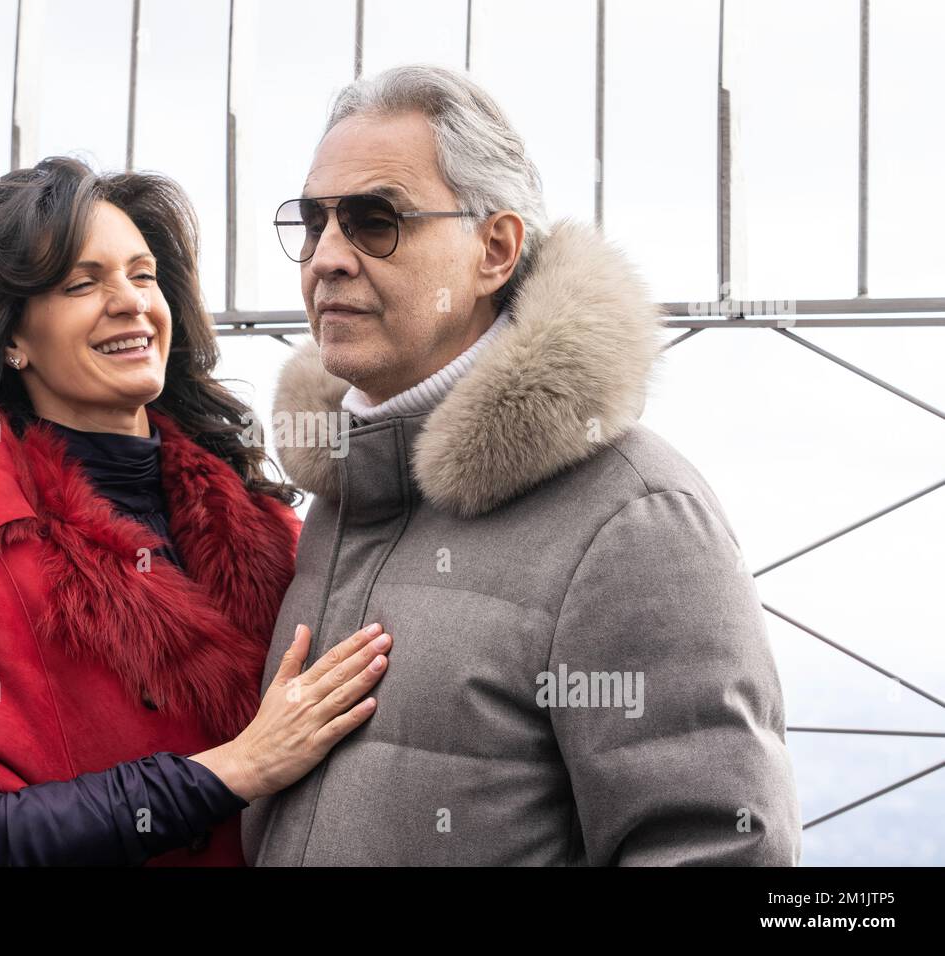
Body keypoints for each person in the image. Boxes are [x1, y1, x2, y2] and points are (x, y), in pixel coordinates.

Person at [241, 65, 803, 865]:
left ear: (494, 250)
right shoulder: (342, 496)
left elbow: (715, 849)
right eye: (313, 221)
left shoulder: (633, 517)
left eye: (375, 221)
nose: (326, 256)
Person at [0, 157, 392, 866]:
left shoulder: (265, 525)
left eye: (142, 274)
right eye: (81, 283)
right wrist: (233, 770)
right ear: (14, 339)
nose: (130, 301)